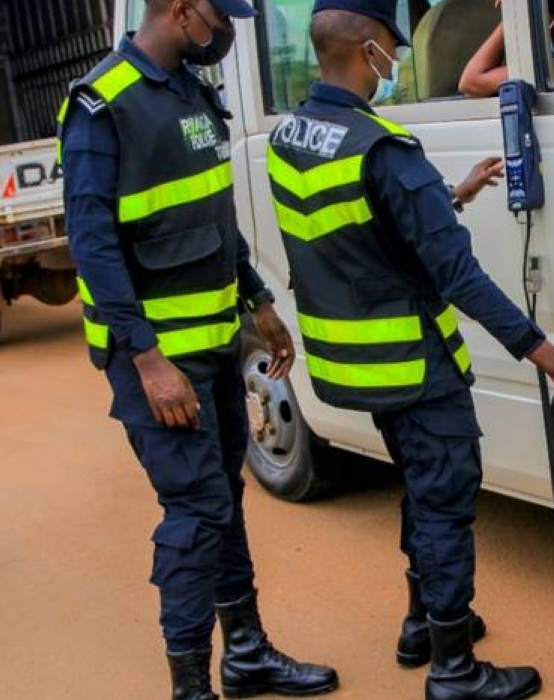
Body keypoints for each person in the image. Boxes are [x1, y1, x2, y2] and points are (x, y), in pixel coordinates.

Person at [266, 2, 554, 698]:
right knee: (446, 500)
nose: (394, 60)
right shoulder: (384, 149)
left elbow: (357, 236)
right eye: (392, 46)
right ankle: (454, 670)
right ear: (368, 50)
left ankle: (422, 625)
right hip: (415, 368)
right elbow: (460, 279)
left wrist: (446, 198)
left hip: (354, 365)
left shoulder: (292, 136)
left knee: (422, 490)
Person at [58, 1, 338, 698]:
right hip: (159, 364)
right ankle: (191, 687)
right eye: (222, 17)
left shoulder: (189, 91)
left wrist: (259, 303)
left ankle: (245, 654)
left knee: (223, 500)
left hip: (215, 346)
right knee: (195, 512)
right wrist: (148, 362)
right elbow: (92, 247)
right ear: (182, 9)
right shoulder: (103, 107)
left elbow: (211, 212)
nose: (229, 33)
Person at [459, 0, 554, 97]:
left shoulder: (548, 71)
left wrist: (513, 12)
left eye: (534, 19)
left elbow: (471, 81)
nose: (527, 30)